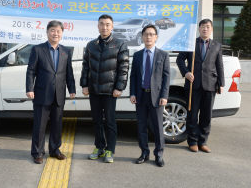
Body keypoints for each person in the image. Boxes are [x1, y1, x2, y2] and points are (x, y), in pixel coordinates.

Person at [80, 14, 129, 163]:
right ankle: (99, 147)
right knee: (96, 121)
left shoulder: (120, 44)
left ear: (112, 26)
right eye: (102, 24)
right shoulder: (91, 45)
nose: (104, 27)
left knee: (110, 121)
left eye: (107, 24)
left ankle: (110, 150)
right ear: (98, 26)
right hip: (94, 89)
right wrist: (84, 85)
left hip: (110, 90)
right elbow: (85, 66)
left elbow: (124, 68)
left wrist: (119, 87)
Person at [26, 20, 76, 164]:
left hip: (59, 94)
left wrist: (71, 89)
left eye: (58, 31)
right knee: (39, 125)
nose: (55, 33)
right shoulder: (38, 49)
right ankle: (37, 152)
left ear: (62, 33)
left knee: (57, 124)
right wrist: (30, 88)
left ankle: (55, 150)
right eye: (52, 30)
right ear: (47, 32)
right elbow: (31, 71)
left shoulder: (66, 51)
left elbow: (69, 73)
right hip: (42, 93)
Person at [176, 19, 224, 153]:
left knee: (206, 115)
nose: (205, 29)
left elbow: (219, 65)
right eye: (203, 27)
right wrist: (186, 72)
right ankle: (192, 141)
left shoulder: (216, 45)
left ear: (211, 29)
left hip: (210, 85)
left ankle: (203, 141)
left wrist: (221, 83)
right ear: (199, 29)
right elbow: (180, 59)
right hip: (193, 85)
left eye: (208, 27)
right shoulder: (191, 43)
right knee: (192, 115)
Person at [129, 24, 170, 167]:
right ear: (142, 37)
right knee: (141, 127)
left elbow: (166, 77)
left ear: (156, 37)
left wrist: (164, 96)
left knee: (158, 127)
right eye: (146, 34)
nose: (148, 37)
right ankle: (144, 153)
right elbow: (133, 76)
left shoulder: (163, 55)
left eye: (151, 34)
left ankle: (159, 154)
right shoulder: (137, 55)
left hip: (157, 97)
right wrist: (132, 93)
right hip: (141, 96)